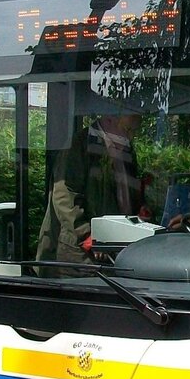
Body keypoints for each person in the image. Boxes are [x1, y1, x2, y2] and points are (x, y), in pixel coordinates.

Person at [36, 113, 143, 270]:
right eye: (127, 129)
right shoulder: (79, 146)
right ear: (109, 119)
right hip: (76, 257)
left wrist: (140, 209)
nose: (130, 137)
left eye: (134, 131)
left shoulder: (125, 149)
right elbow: (65, 199)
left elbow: (125, 192)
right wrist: (89, 236)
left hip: (111, 248)